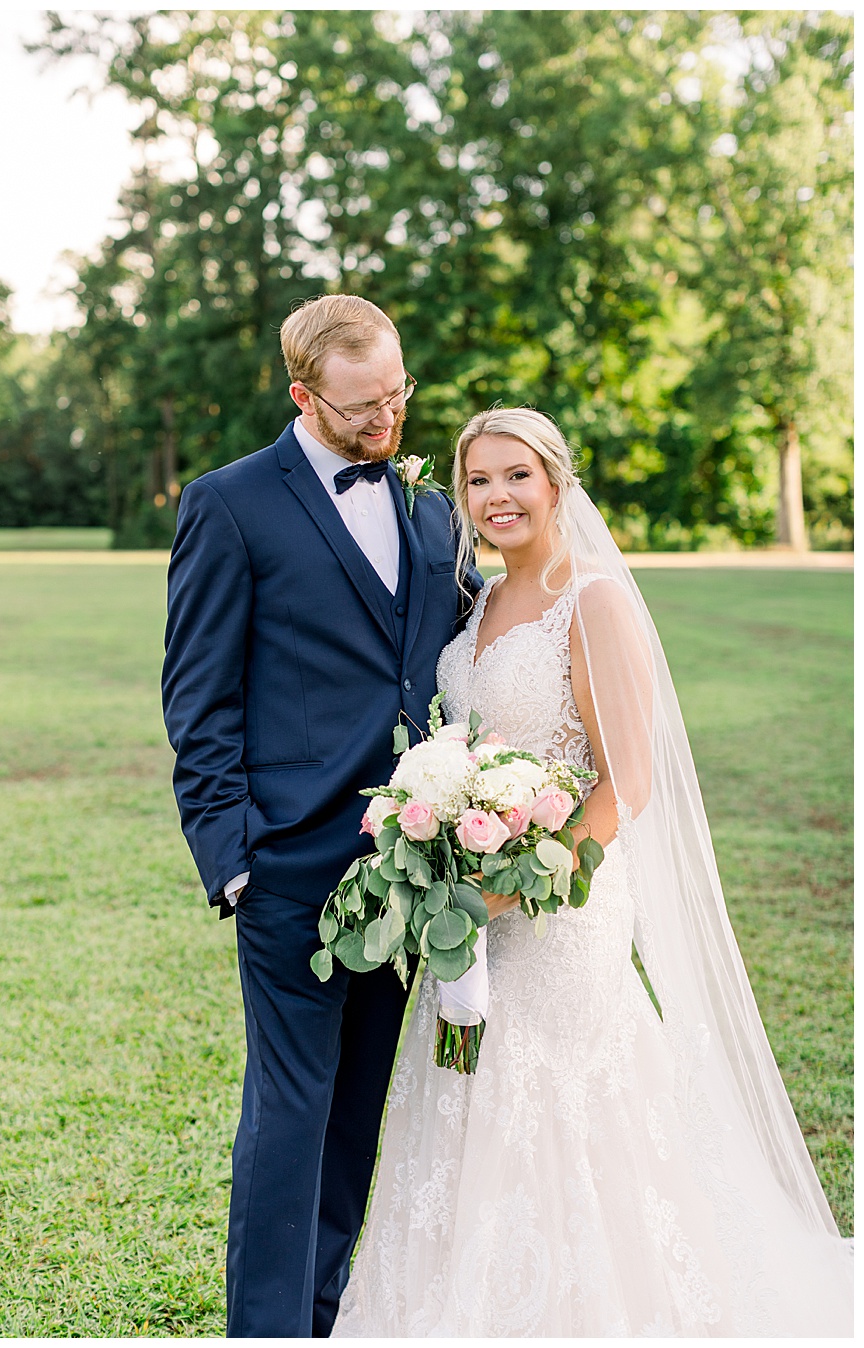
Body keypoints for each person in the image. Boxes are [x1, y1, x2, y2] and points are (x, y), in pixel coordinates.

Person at [331, 407, 851, 1335]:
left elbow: (629, 780)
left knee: (556, 1100)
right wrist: (447, 864)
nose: (497, 497)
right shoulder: (477, 606)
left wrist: (528, 876)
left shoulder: (596, 600)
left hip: (564, 905)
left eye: (516, 476)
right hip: (472, 909)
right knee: (463, 1088)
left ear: (557, 482)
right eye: (478, 481)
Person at [161, 295, 481, 1336]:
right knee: (290, 1114)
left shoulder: (434, 509)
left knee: (355, 1120)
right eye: (360, 410)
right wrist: (234, 859)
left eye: (397, 396)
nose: (385, 422)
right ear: (304, 396)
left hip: (412, 858)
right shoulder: (230, 503)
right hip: (288, 863)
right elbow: (197, 697)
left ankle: (324, 1314)